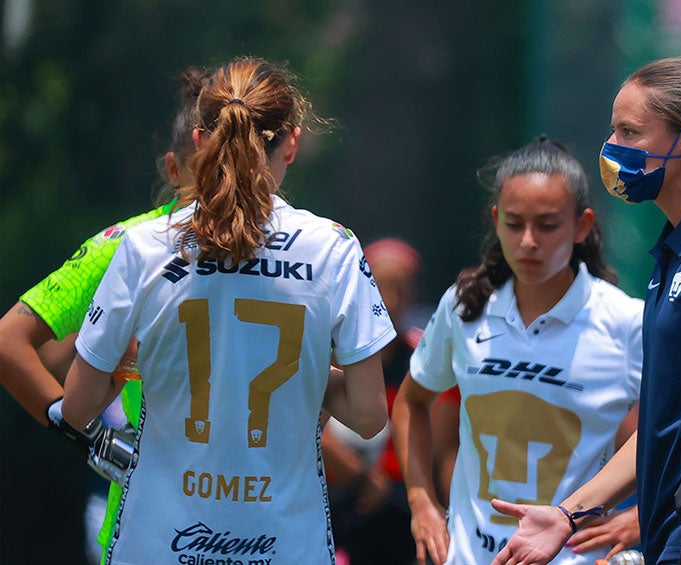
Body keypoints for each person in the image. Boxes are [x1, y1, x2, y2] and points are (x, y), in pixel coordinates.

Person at [60, 57, 393, 563]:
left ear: (199, 141)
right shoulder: (335, 248)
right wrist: (290, 369)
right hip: (284, 545)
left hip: (159, 544)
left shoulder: (144, 244)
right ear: (293, 143)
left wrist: (130, 363)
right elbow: (369, 416)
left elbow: (77, 410)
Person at [492, 57, 681, 565]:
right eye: (612, 129)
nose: (612, 146)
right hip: (670, 534)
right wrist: (568, 513)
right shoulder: (678, 246)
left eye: (629, 131)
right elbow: (666, 421)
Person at [392, 136, 644, 564]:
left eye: (547, 225)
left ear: (582, 225)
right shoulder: (463, 305)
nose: (528, 241)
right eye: (513, 223)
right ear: (495, 220)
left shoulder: (626, 321)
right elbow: (411, 402)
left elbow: (678, 427)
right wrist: (422, 503)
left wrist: (641, 516)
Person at [0, 66, 208, 564]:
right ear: (174, 169)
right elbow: (10, 341)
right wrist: (94, 440)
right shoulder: (129, 243)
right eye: (210, 169)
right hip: (154, 523)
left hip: (260, 519)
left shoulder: (293, 244)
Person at [326, 237, 425, 564]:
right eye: (382, 286)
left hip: (400, 508)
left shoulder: (422, 360)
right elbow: (303, 421)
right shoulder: (329, 351)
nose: (392, 299)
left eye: (403, 287)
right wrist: (359, 476)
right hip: (335, 500)